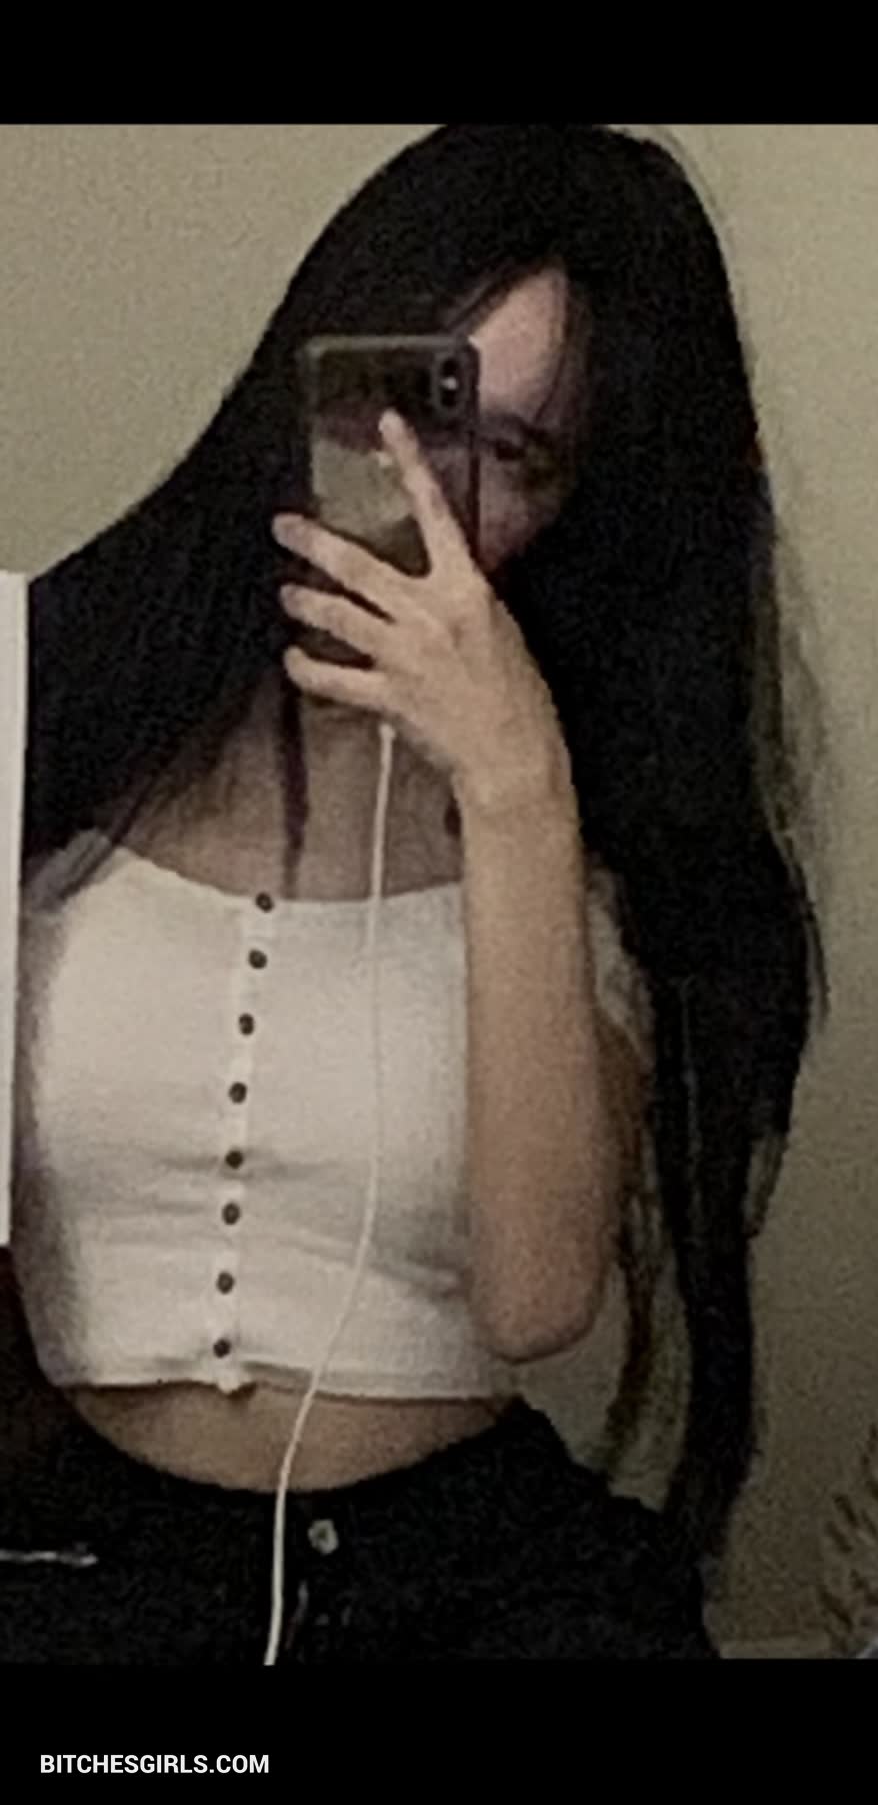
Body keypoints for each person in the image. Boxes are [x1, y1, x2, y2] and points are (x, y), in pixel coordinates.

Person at [0, 122, 827, 1663]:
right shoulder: (57, 717)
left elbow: (534, 1297)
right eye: (399, 400)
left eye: (512, 455)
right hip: (83, 1559)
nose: (425, 492)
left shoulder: (594, 830)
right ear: (304, 375)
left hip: (465, 1584)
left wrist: (514, 788)